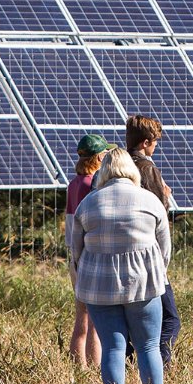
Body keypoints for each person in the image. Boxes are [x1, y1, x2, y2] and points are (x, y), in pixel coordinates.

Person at [71, 148, 171, 384]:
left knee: (113, 347)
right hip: (144, 285)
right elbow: (165, 250)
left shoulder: (88, 203)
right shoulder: (151, 201)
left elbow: (76, 252)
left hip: (100, 287)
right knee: (149, 346)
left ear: (103, 171)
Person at [126, 114, 180, 368]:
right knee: (170, 319)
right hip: (149, 254)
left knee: (125, 318)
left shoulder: (118, 164)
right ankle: (161, 364)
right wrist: (166, 196)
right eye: (156, 142)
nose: (156, 147)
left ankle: (128, 364)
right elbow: (158, 213)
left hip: (119, 253)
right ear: (146, 142)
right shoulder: (148, 169)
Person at [66, 134, 115, 368]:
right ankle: (95, 369)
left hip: (74, 255)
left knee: (81, 316)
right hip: (88, 255)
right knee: (95, 320)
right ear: (98, 157)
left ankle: (79, 367)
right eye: (105, 154)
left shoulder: (74, 183)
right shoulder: (91, 185)